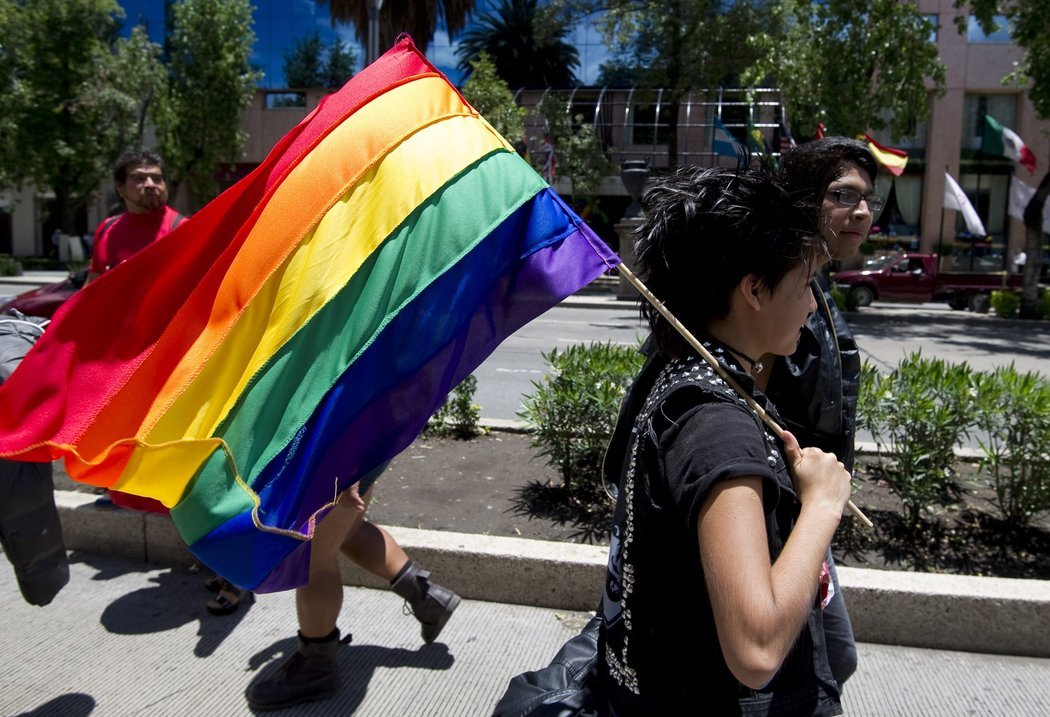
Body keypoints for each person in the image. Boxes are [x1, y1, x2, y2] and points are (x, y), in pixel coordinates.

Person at [597, 165, 852, 714]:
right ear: (753, 289)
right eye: (805, 283)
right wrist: (823, 504)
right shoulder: (717, 427)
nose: (813, 304)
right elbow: (755, 650)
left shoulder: (681, 374)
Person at [764, 137, 880, 689]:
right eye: (844, 195)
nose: (862, 211)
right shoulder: (775, 286)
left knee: (832, 660)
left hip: (807, 507)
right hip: (775, 514)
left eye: (868, 199)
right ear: (802, 199)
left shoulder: (813, 281)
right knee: (824, 662)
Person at [246, 462, 460, 710]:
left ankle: (316, 669)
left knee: (314, 559)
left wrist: (346, 467)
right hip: (357, 452)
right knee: (348, 531)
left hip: (339, 457)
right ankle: (427, 598)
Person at [86, 147, 185, 284]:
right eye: (139, 178)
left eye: (157, 179)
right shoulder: (106, 229)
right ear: (120, 187)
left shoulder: (184, 229)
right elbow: (92, 286)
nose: (150, 184)